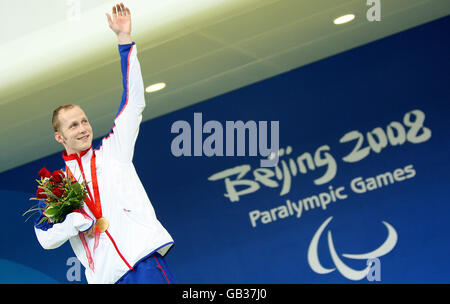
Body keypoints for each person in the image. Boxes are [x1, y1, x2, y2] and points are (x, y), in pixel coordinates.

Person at [33, 3, 176, 284]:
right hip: (107, 278)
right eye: (73, 125)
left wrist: (124, 40)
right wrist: (73, 222)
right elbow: (44, 238)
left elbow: (133, 102)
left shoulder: (114, 150)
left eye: (84, 121)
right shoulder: (56, 185)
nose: (83, 128)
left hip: (143, 263)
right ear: (59, 137)